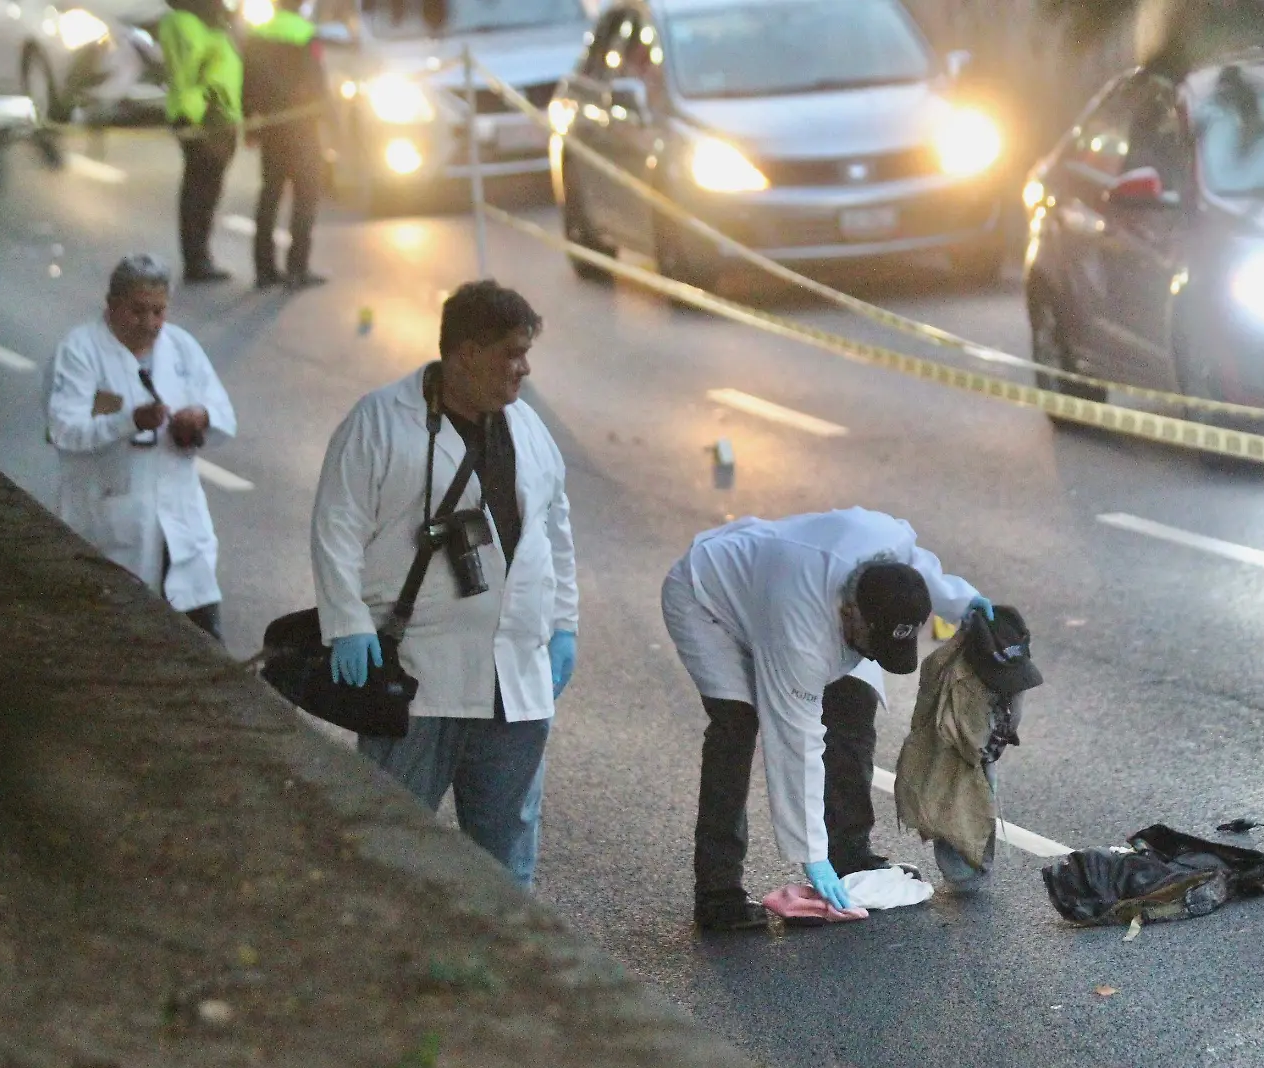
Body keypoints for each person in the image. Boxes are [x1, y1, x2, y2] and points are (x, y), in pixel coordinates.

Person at [311, 280, 578, 891]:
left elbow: (555, 528)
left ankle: (508, 980)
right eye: (512, 353)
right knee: (389, 855)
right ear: (467, 354)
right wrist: (348, 625)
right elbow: (336, 527)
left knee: (508, 864)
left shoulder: (527, 426)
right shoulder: (380, 421)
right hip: (417, 684)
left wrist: (565, 625)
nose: (524, 367)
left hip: (516, 685)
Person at [660, 507, 997, 931]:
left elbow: (913, 568)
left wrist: (961, 601)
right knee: (737, 725)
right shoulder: (800, 633)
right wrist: (810, 855)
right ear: (851, 615)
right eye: (869, 644)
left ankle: (851, 854)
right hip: (706, 597)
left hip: (775, 576)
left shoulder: (884, 539)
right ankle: (717, 890)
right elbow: (795, 743)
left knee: (854, 704)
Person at [45, 254, 238, 639]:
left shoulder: (181, 348)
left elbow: (224, 415)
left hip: (183, 532)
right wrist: (128, 421)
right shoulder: (80, 351)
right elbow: (64, 430)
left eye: (159, 312)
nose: (150, 324)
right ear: (112, 304)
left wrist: (199, 419)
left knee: (203, 649)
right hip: (112, 530)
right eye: (138, 311)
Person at [241, 0, 328, 289]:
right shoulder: (305, 32)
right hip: (301, 126)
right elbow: (316, 82)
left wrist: (250, 121)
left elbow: (248, 80)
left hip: (270, 126)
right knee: (305, 195)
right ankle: (297, 268)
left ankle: (263, 270)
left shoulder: (259, 32)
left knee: (270, 193)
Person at [158, 0, 243, 284]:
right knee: (200, 189)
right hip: (201, 116)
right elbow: (189, 71)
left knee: (207, 189)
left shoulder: (210, 20)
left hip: (218, 116)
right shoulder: (185, 22)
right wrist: (206, 108)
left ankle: (200, 257)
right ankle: (196, 261)